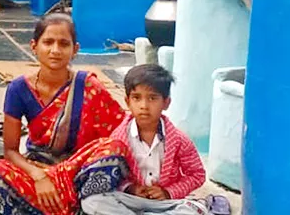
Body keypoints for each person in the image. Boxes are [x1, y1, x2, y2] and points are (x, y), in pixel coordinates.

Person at [0, 13, 132, 215]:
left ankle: (46, 206)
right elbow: (11, 151)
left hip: (79, 169)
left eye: (64, 44)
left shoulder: (88, 86)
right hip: (37, 167)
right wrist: (39, 176)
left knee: (114, 148)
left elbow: (119, 131)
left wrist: (64, 175)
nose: (55, 50)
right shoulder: (19, 88)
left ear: (75, 50)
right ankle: (72, 207)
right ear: (34, 46)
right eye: (48, 42)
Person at [81, 64, 209, 215]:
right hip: (131, 200)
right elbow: (113, 174)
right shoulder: (118, 138)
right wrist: (130, 188)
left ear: (166, 103)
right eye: (137, 98)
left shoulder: (179, 140)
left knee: (195, 210)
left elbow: (197, 174)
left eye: (152, 98)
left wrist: (168, 192)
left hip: (166, 203)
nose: (144, 106)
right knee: (92, 201)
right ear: (128, 102)